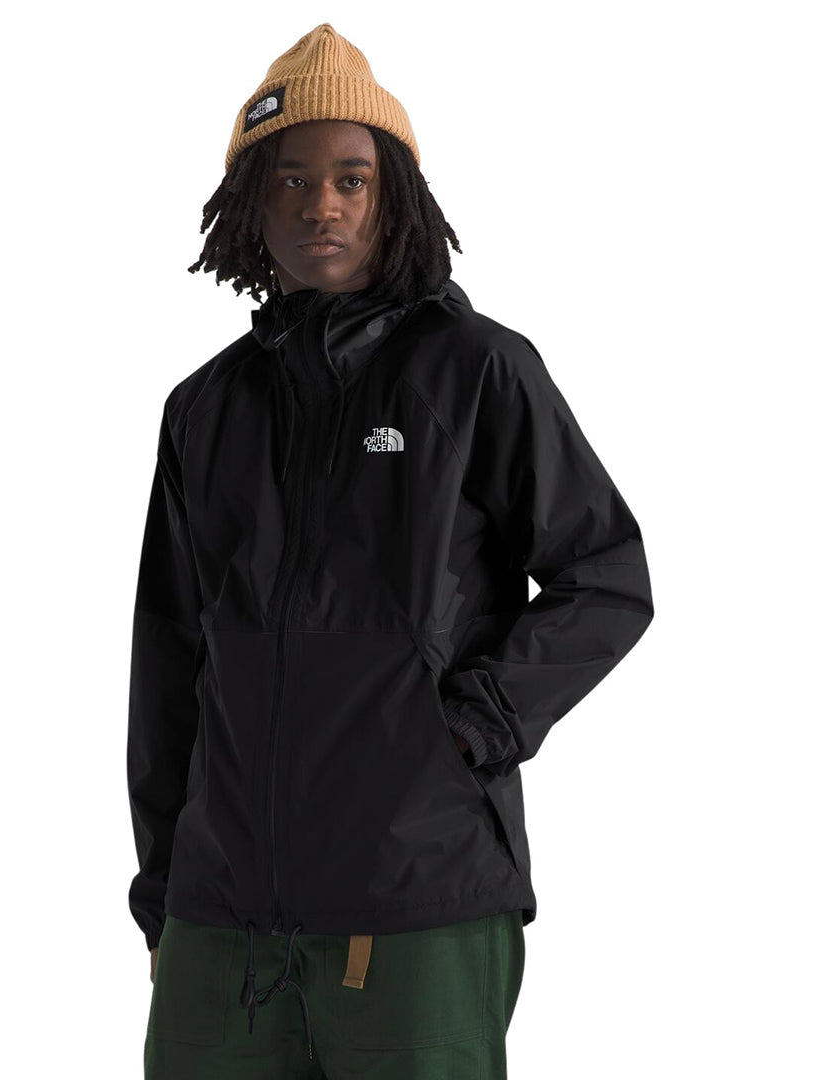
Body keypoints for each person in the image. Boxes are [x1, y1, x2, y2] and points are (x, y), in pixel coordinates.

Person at [126, 22, 654, 1079]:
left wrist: (472, 725)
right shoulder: (205, 409)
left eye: (351, 180)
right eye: (289, 180)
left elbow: (606, 577)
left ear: (394, 196)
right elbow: (170, 661)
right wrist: (165, 890)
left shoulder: (476, 372)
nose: (319, 205)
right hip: (222, 920)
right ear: (249, 204)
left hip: (417, 902)